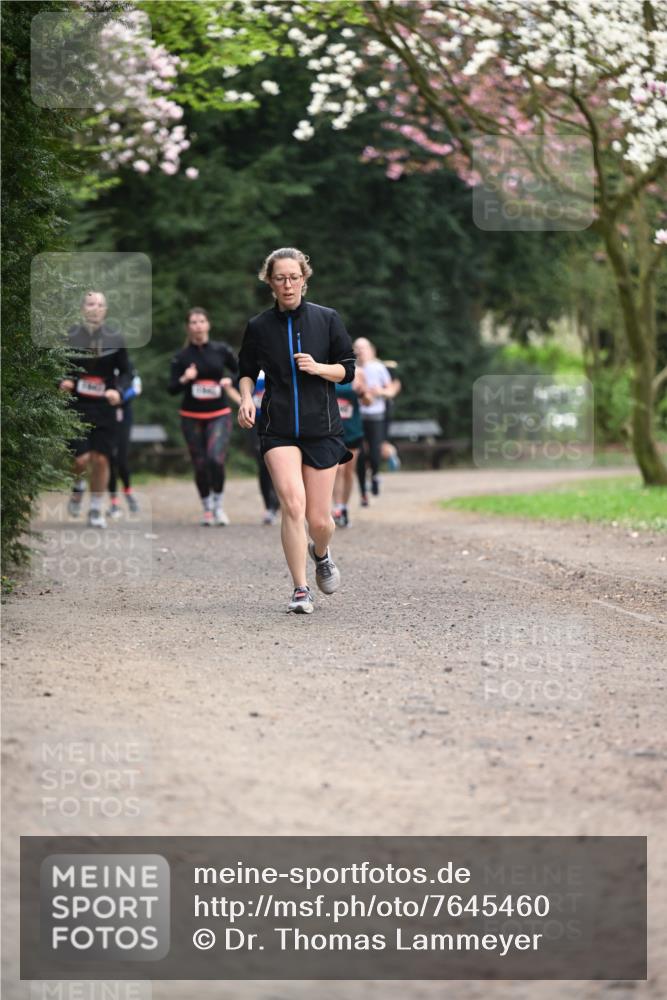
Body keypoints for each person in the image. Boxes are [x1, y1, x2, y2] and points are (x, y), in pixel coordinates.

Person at [237, 247, 356, 614]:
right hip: (279, 427)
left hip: (322, 428)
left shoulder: (327, 319)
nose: (287, 284)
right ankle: (301, 589)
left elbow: (347, 370)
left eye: (293, 277)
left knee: (320, 521)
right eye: (279, 278)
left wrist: (319, 368)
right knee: (292, 504)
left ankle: (320, 552)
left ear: (304, 279)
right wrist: (245, 398)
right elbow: (244, 370)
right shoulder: (259, 326)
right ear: (269, 283)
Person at [60, 291, 131, 529]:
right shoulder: (70, 336)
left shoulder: (115, 338)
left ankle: (95, 508)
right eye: (90, 303)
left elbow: (127, 373)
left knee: (101, 459)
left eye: (100, 304)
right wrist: (63, 381)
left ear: (105, 310)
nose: (95, 308)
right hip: (78, 405)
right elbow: (57, 367)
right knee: (80, 459)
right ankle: (78, 486)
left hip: (104, 407)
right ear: (83, 309)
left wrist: (118, 391)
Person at [168, 308, 239, 526]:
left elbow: (242, 372)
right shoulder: (181, 357)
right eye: (193, 322)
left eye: (201, 321)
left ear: (208, 324)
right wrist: (184, 378)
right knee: (199, 464)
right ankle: (206, 507)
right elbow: (171, 389)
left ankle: (218, 505)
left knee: (214, 459)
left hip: (219, 414)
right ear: (188, 327)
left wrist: (230, 381)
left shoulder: (221, 350)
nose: (198, 325)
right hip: (191, 416)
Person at [353, 337, 400, 503]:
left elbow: (390, 389)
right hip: (357, 417)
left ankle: (374, 475)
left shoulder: (379, 368)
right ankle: (362, 491)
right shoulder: (351, 369)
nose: (360, 351)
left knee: (374, 452)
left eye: (363, 348)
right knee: (359, 454)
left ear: (370, 350)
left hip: (376, 416)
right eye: (357, 348)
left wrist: (379, 391)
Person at [332, 369, 368, 528]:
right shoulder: (325, 369)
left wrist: (362, 393)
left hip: (353, 430)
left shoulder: (358, 373)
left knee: (348, 471)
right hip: (333, 430)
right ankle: (338, 507)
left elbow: (368, 401)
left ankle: (345, 507)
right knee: (338, 469)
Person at [108, 365, 142, 519]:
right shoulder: (104, 363)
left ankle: (128, 491)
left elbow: (136, 389)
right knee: (110, 459)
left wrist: (120, 398)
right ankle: (113, 502)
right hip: (106, 415)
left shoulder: (128, 367)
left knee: (121, 459)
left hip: (124, 416)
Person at [248, 370, 280, 525]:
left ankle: (280, 501)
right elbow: (238, 388)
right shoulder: (251, 366)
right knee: (263, 463)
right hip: (258, 424)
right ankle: (269, 505)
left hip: (280, 422)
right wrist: (245, 403)